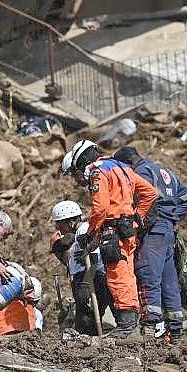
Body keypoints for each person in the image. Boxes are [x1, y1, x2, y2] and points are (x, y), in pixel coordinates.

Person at [62, 139, 157, 338]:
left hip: (112, 232)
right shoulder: (122, 167)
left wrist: (91, 234)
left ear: (81, 162)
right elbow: (150, 193)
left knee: (117, 277)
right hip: (127, 231)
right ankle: (130, 323)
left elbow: (101, 208)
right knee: (128, 275)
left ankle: (126, 326)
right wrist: (136, 218)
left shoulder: (98, 172)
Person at [114, 146, 187, 340]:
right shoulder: (165, 172)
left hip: (154, 231)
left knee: (148, 276)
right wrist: (173, 217)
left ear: (127, 163)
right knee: (169, 280)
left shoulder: (141, 172)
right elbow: (184, 196)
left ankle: (150, 327)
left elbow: (147, 199)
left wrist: (139, 223)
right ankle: (176, 329)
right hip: (168, 231)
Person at [49, 200, 111, 336]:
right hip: (84, 278)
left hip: (90, 278)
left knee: (87, 317)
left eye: (59, 224)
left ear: (70, 222)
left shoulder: (84, 230)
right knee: (82, 317)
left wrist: (85, 284)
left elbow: (93, 259)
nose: (58, 229)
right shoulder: (77, 234)